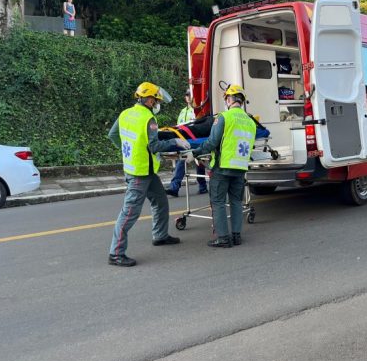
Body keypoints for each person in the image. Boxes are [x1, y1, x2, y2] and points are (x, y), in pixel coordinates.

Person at [107, 82, 191, 267]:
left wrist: (127, 149)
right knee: (129, 212)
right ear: (150, 99)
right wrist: (175, 143)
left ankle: (160, 235)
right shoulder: (148, 119)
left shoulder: (125, 114)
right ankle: (116, 253)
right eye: (156, 101)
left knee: (160, 201)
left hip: (143, 170)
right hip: (140, 172)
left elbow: (113, 135)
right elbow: (154, 146)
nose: (157, 104)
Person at [189, 84, 256, 248]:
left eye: (226, 98)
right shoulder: (251, 121)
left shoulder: (224, 117)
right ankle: (236, 236)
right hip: (240, 168)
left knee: (218, 202)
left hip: (222, 167)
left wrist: (196, 153)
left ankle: (223, 239)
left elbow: (212, 142)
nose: (226, 101)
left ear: (230, 99)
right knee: (236, 202)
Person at [166, 90, 208, 197]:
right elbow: (178, 126)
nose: (188, 96)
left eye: (190, 94)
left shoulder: (198, 110)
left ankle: (202, 186)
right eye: (186, 94)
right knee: (183, 161)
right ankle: (174, 187)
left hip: (196, 140)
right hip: (185, 141)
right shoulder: (182, 111)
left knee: (199, 163)